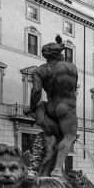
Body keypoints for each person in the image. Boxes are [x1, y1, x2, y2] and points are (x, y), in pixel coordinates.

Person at [23, 36, 79, 176]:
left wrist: (31, 107)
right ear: (60, 54)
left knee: (56, 136)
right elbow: (74, 89)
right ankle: (57, 170)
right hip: (66, 107)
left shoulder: (40, 70)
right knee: (69, 137)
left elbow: (36, 91)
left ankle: (45, 168)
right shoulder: (71, 68)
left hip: (49, 107)